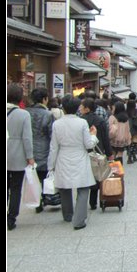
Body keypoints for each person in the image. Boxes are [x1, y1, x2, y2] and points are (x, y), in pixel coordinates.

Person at [47, 94, 98, 230]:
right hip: (80, 156)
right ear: (77, 107)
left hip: (63, 157)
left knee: (64, 187)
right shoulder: (82, 123)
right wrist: (94, 136)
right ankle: (79, 220)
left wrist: (50, 165)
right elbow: (88, 144)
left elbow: (53, 147)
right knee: (83, 188)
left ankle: (68, 214)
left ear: (63, 107)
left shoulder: (57, 124)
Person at [7, 83, 35, 230]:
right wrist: (30, 156)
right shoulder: (23, 114)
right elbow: (27, 138)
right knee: (16, 187)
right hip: (17, 154)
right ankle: (11, 218)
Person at [79, 97, 113, 210]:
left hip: (83, 151)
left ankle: (81, 200)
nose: (79, 108)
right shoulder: (100, 121)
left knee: (84, 175)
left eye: (81, 106)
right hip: (98, 151)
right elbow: (105, 138)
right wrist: (109, 153)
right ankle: (93, 202)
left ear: (87, 109)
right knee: (96, 175)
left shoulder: (80, 121)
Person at [26, 87, 54, 213]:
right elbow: (51, 134)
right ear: (44, 99)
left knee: (32, 175)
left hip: (29, 149)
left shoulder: (26, 112)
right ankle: (42, 198)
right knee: (43, 175)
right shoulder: (48, 114)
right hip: (44, 148)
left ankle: (36, 200)